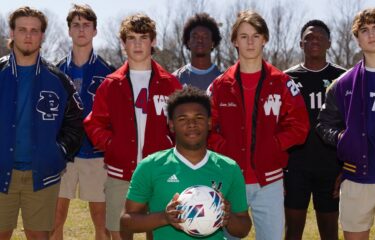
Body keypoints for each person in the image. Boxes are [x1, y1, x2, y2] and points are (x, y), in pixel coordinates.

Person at [207, 10, 309, 240]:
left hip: (269, 181)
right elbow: (206, 129)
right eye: (243, 36)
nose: (250, 41)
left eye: (255, 35)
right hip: (230, 179)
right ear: (235, 41)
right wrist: (224, 148)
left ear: (265, 39)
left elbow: (300, 128)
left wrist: (272, 145)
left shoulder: (282, 82)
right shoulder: (220, 85)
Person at [84, 13, 182, 240]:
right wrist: (112, 144)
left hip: (160, 174)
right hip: (120, 173)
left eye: (143, 37)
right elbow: (94, 123)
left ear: (153, 41)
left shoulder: (170, 83)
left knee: (159, 234)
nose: (137, 44)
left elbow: (180, 127)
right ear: (123, 43)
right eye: (131, 38)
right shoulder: (111, 84)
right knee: (118, 232)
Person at [120, 86, 252, 240]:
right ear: (171, 124)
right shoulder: (150, 166)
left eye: (199, 118)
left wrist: (229, 217)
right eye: (183, 119)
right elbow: (126, 221)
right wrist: (164, 217)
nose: (191, 124)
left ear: (209, 123)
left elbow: (243, 229)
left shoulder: (229, 168)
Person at [0, 6, 84, 240]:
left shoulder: (57, 79)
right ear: (12, 33)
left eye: (34, 31)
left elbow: (76, 122)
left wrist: (58, 152)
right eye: (22, 29)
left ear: (42, 35)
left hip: (42, 176)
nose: (28, 35)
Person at [316, 8, 375, 240]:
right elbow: (324, 125)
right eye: (364, 30)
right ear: (357, 38)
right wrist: (343, 140)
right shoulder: (342, 84)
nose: (371, 34)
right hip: (356, 180)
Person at [51, 4, 115, 240]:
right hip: (64, 155)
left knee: (103, 224)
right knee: (54, 221)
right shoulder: (55, 71)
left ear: (95, 31)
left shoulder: (108, 72)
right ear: (68, 30)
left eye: (86, 25)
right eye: (76, 25)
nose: (81, 30)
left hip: (95, 155)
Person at [283, 20, 346, 240]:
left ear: (329, 43)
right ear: (301, 43)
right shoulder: (286, 79)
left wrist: (345, 167)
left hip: (331, 167)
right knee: (292, 233)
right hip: (295, 167)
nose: (314, 40)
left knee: (330, 234)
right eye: (309, 37)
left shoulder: (343, 79)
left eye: (320, 36)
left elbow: (351, 126)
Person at [173, 12, 222, 90]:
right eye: (195, 36)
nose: (200, 40)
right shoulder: (175, 79)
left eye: (205, 36)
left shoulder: (223, 79)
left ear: (213, 43)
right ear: (188, 42)